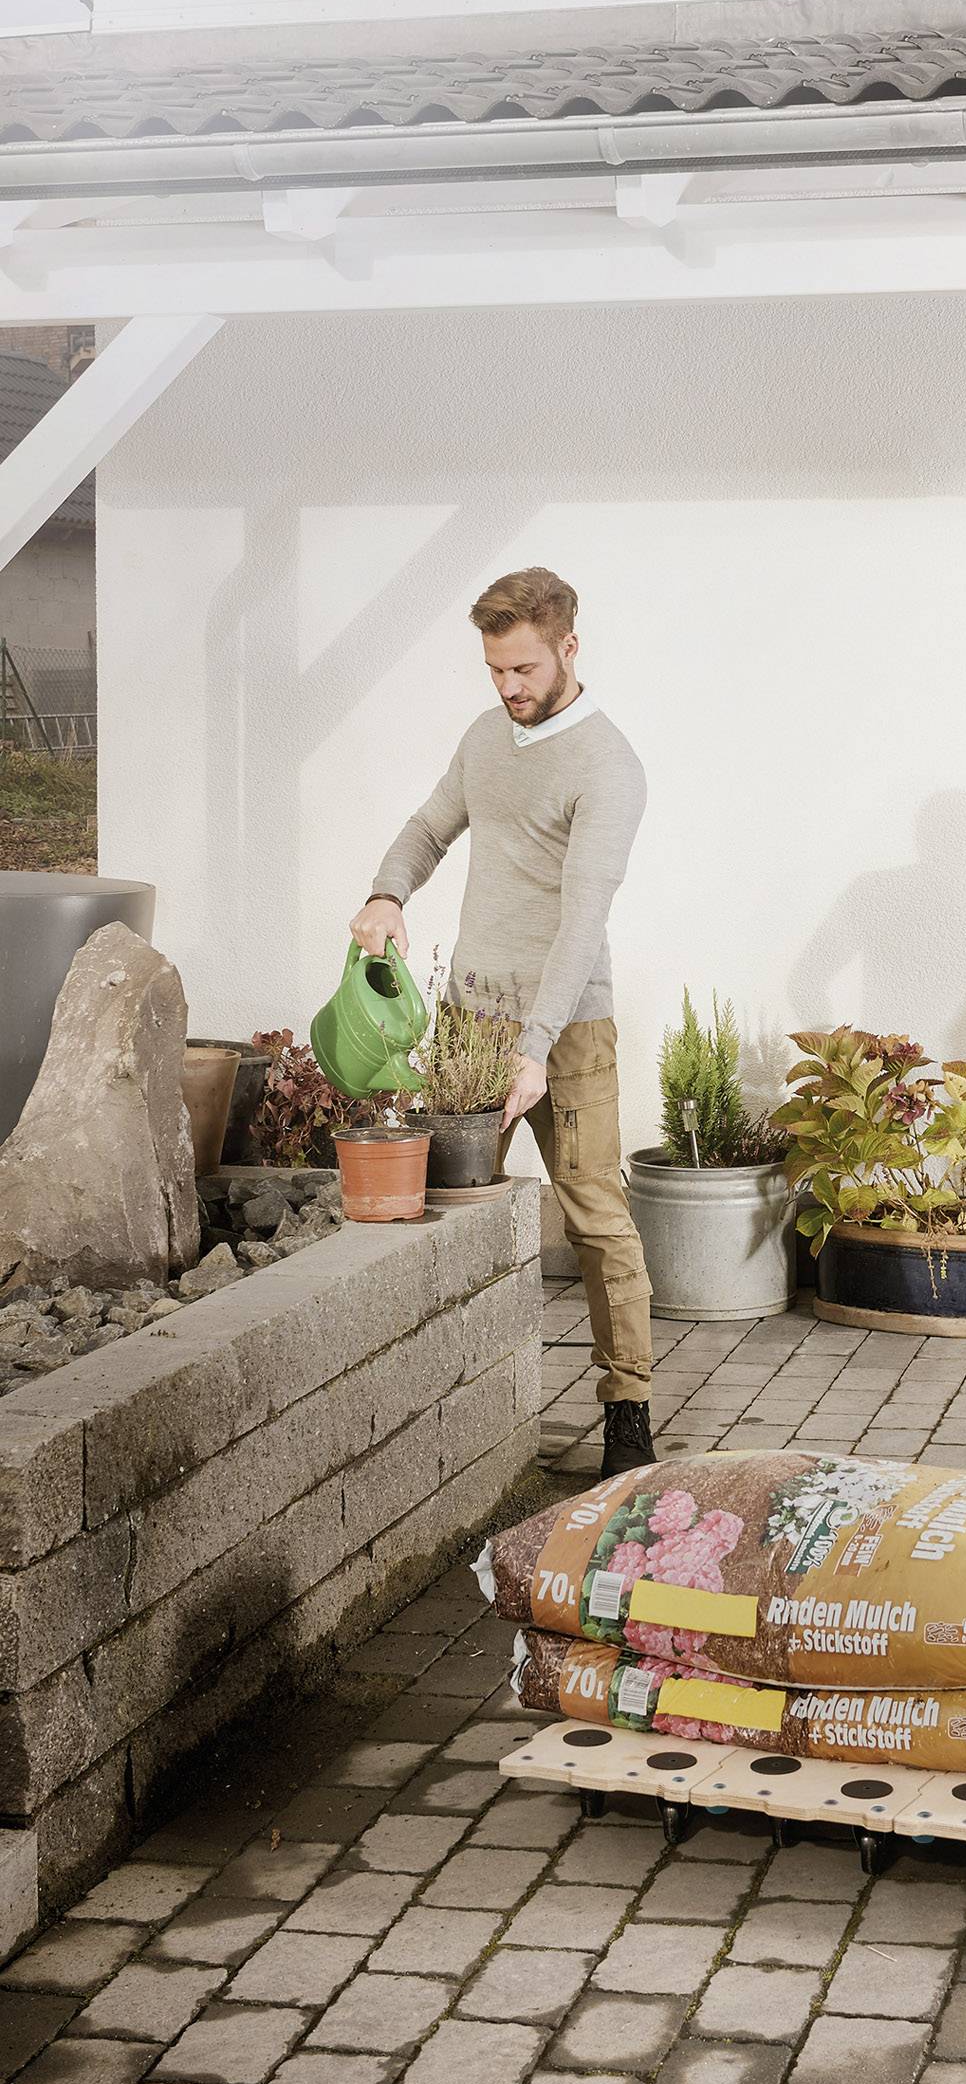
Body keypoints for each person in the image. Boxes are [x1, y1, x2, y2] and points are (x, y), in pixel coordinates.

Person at [353, 566, 656, 1478]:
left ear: (569, 647)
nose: (510, 688)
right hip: (468, 1022)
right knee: (444, 1206)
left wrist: (533, 1051)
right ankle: (443, 1412)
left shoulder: (610, 766)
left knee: (596, 1217)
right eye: (496, 670)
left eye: (525, 669)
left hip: (566, 1026)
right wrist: (386, 893)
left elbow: (580, 923)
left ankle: (628, 1416)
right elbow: (428, 825)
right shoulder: (488, 736)